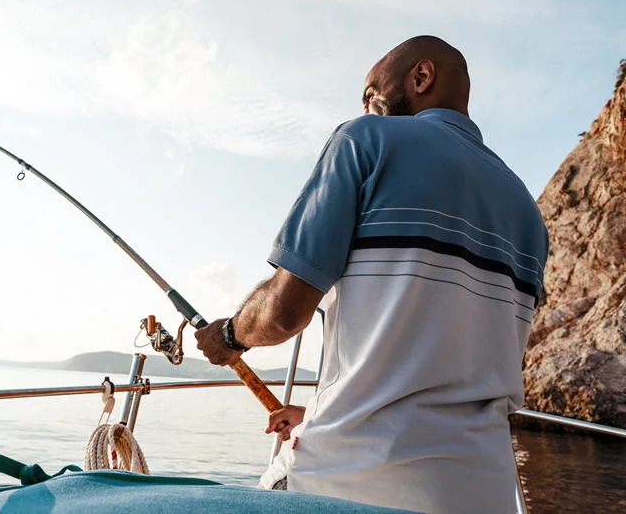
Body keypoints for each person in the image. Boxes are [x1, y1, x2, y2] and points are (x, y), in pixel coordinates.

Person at [195, 35, 549, 514]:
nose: (365, 106)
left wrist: (231, 336)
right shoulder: (527, 211)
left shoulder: (365, 140)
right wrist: (316, 412)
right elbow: (462, 361)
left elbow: (282, 313)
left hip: (352, 480)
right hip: (481, 490)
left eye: (369, 92)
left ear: (421, 78)